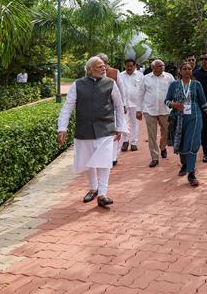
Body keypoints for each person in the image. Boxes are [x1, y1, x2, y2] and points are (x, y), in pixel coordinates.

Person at [57, 56, 127, 208]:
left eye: (104, 65)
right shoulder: (78, 84)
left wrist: (120, 127)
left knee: (104, 161)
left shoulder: (110, 83)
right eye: (99, 66)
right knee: (89, 161)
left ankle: (102, 194)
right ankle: (93, 188)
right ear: (90, 69)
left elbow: (119, 106)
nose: (103, 68)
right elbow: (67, 106)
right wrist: (62, 128)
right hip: (84, 129)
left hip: (106, 128)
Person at [165, 62, 207, 187]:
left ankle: (191, 174)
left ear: (192, 71)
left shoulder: (197, 85)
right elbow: (166, 100)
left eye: (189, 69)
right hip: (179, 118)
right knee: (181, 143)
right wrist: (173, 104)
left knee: (192, 143)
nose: (187, 71)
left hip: (195, 117)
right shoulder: (174, 85)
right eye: (184, 69)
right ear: (180, 71)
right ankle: (184, 164)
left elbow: (203, 102)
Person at [137, 59, 174, 167]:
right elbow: (140, 94)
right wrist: (138, 110)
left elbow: (174, 92)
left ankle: (162, 147)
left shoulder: (169, 77)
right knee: (152, 135)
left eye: (163, 65)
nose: (162, 67)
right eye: (159, 66)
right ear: (153, 68)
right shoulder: (146, 78)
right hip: (149, 110)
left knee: (166, 132)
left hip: (165, 109)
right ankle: (154, 157)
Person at [97, 53, 128, 167]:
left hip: (114, 106)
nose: (100, 66)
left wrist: (123, 104)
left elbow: (121, 88)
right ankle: (103, 155)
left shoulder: (114, 72)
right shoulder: (92, 73)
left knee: (115, 132)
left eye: (101, 63)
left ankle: (113, 157)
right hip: (99, 108)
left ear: (106, 62)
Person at [119, 58, 143, 152]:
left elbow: (142, 90)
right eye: (127, 66)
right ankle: (125, 141)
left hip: (136, 104)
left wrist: (141, 106)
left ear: (134, 66)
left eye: (131, 66)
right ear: (125, 66)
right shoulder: (120, 75)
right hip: (123, 103)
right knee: (123, 123)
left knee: (135, 124)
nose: (129, 68)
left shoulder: (140, 76)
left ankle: (134, 143)